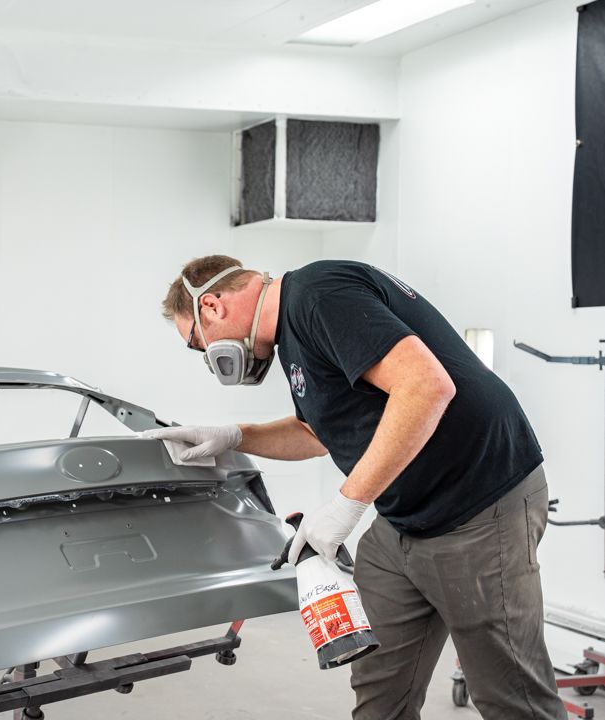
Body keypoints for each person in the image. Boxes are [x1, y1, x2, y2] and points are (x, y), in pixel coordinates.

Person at [144, 255, 567, 720]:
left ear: (212, 306)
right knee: (379, 686)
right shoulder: (294, 333)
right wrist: (235, 436)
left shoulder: (319, 296)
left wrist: (347, 505)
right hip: (404, 519)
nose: (207, 356)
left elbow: (426, 386)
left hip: (479, 505)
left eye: (196, 342)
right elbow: (315, 433)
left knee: (512, 696)